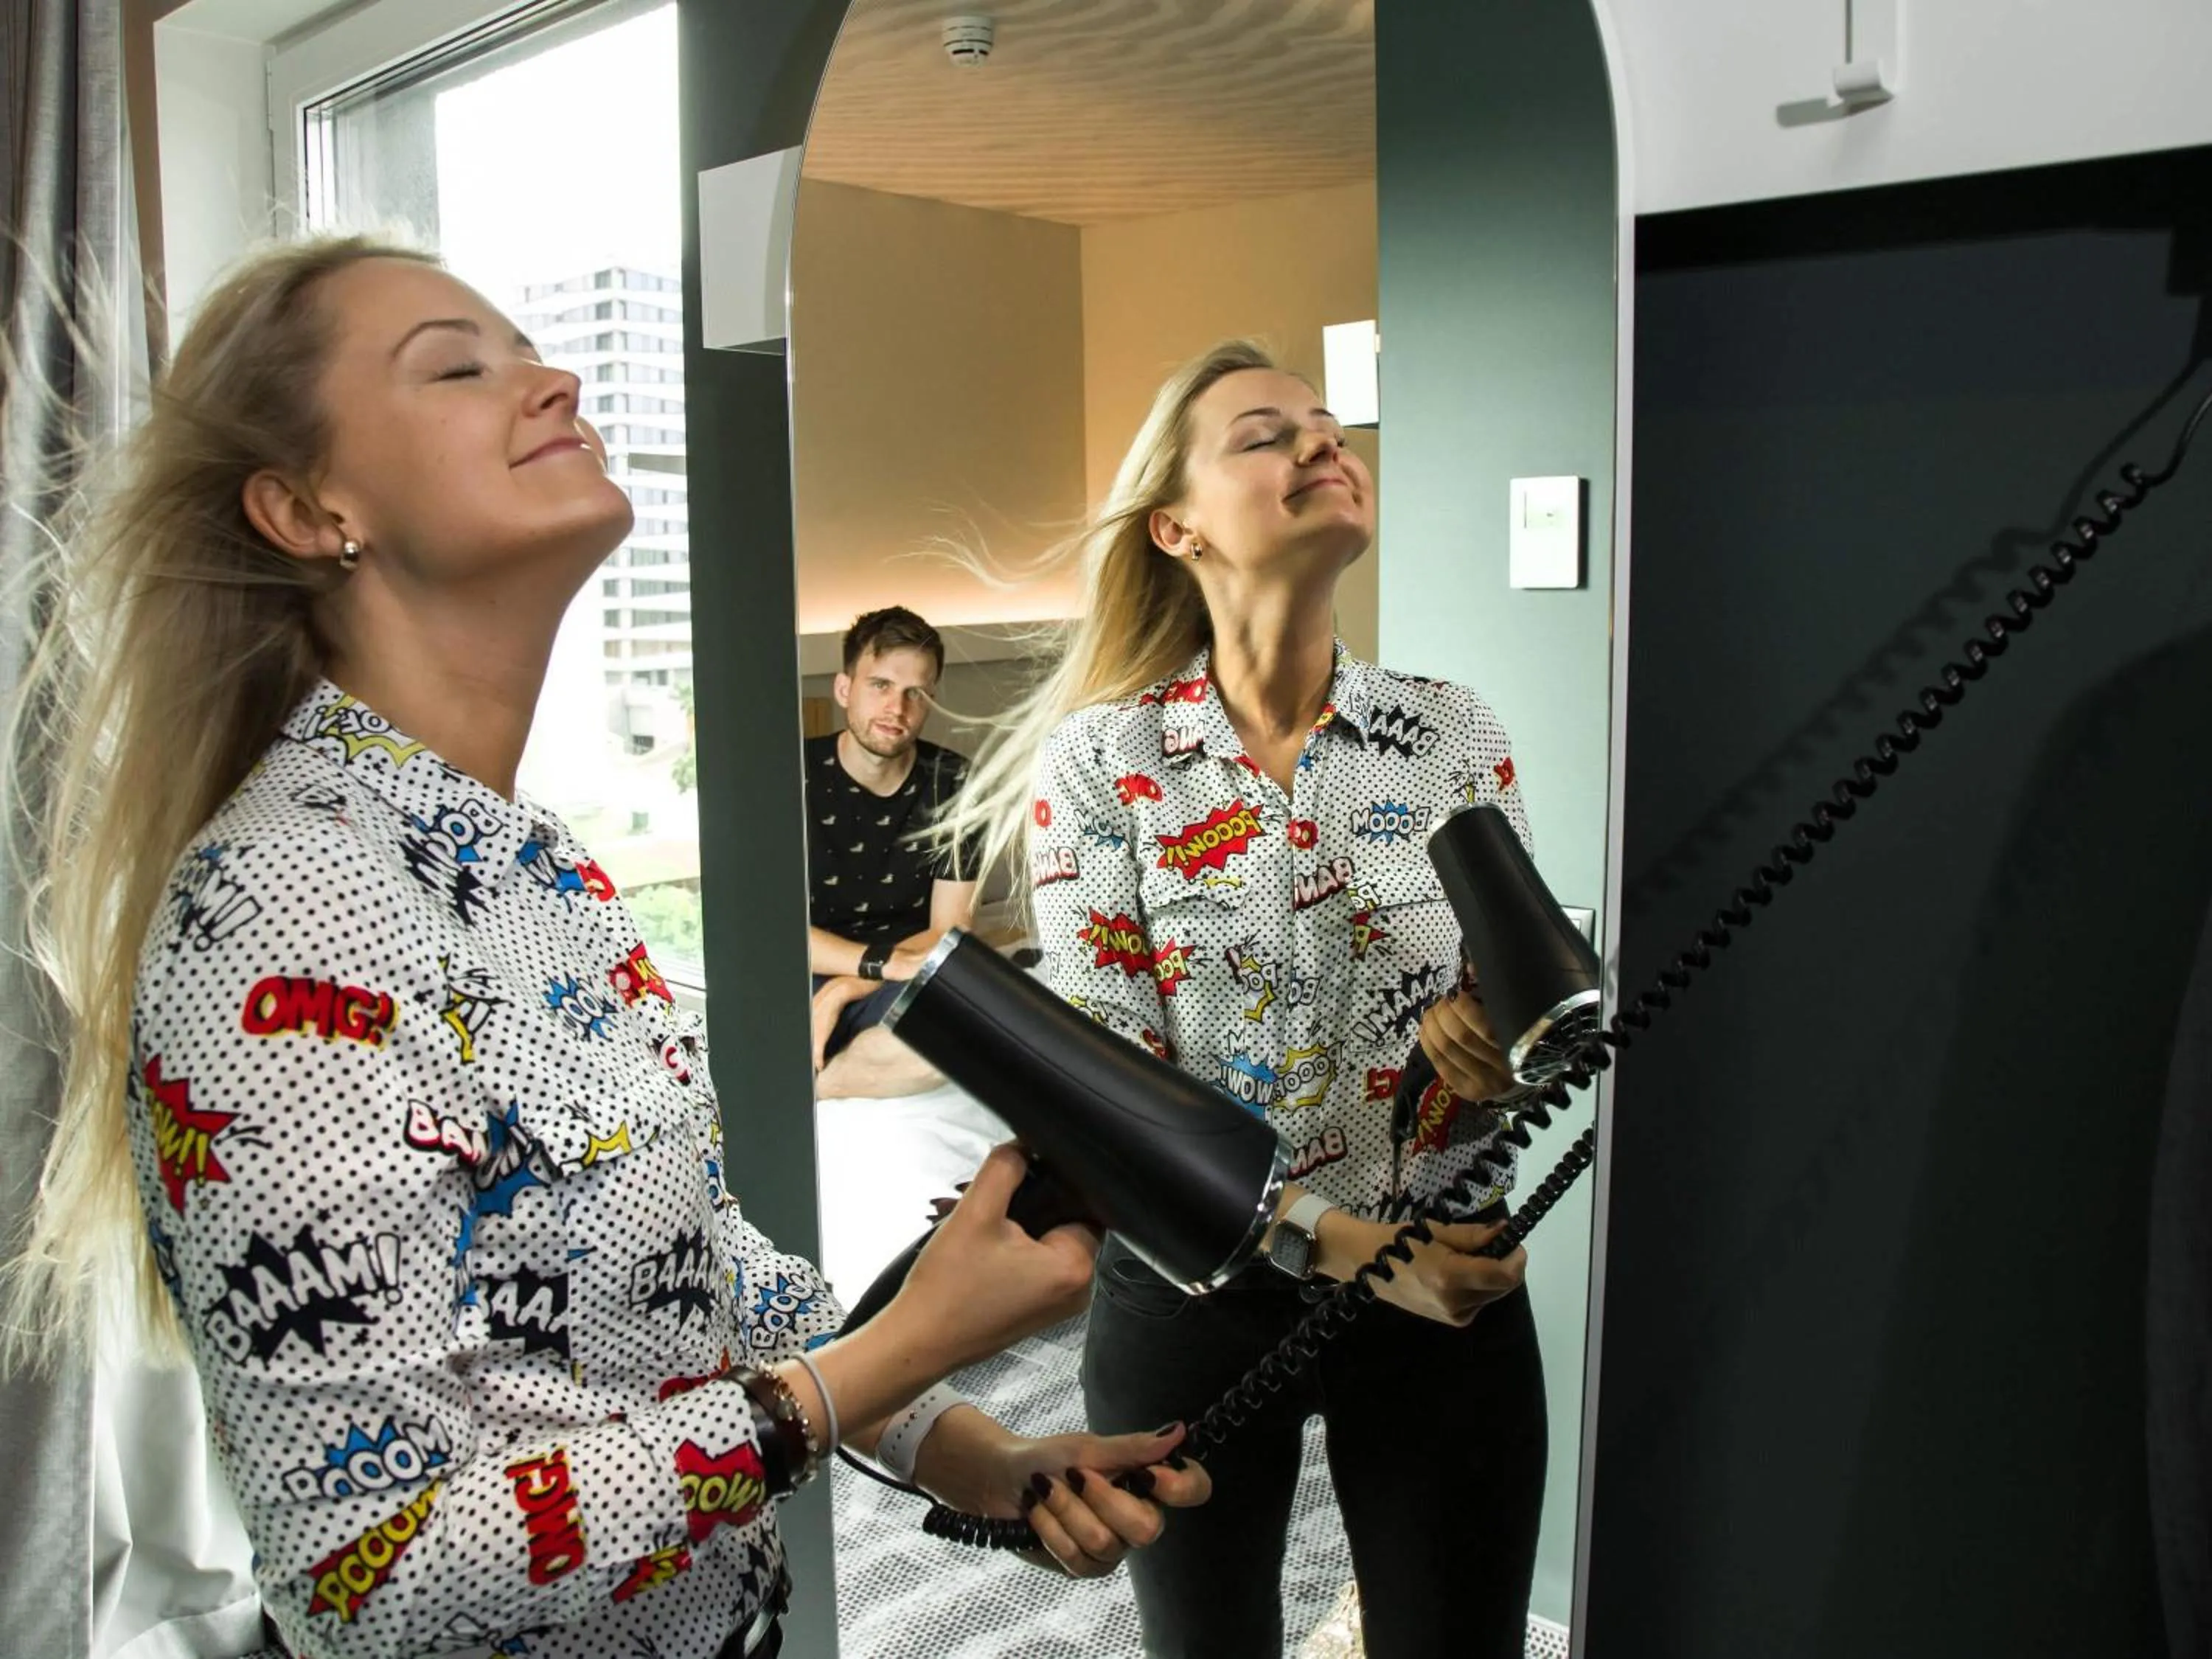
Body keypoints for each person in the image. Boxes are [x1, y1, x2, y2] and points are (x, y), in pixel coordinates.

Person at [1, 237, 1208, 1659]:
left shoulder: (542, 869)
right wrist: (885, 1357)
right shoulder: (285, 898)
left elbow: (709, 1276)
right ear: (306, 506)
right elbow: (368, 1582)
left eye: (531, 348)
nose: (555, 378)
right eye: (458, 365)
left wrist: (972, 1452)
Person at [938, 341, 1546, 1658]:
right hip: (1196, 1299)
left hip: (1447, 1282)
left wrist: (1495, 1050)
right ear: (1178, 526)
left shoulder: (1454, 731)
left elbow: (1519, 1006)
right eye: (1270, 434)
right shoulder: (1108, 761)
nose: (1325, 446)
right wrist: (1347, 1251)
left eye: (1331, 427)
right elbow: (1115, 1103)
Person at [804, 607, 978, 1096]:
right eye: (880, 685)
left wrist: (853, 984)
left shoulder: (955, 782)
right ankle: (842, 1062)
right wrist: (859, 972)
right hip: (803, 974)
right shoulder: (791, 775)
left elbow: (952, 930)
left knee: (970, 1030)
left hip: (906, 972)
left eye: (914, 693)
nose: (896, 709)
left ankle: (818, 1086)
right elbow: (770, 933)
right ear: (845, 689)